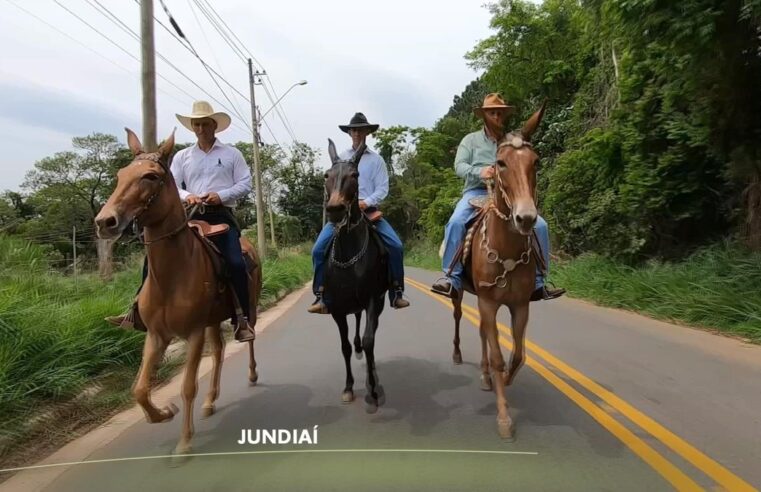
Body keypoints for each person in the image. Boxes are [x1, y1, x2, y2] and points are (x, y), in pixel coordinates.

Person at [106, 100, 256, 342]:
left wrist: (221, 195)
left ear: (214, 125)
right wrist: (189, 195)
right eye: (196, 124)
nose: (200, 128)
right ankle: (136, 310)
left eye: (204, 124)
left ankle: (242, 318)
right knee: (153, 256)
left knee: (236, 263)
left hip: (220, 216)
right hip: (189, 215)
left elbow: (245, 183)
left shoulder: (232, 154)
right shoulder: (183, 157)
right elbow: (173, 185)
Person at [430, 93, 566, 301]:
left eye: (500, 113)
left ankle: (539, 282)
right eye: (492, 112)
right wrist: (480, 171)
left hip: (507, 194)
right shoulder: (471, 140)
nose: (497, 116)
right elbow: (459, 166)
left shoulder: (511, 140)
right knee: (456, 221)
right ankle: (451, 278)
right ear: (484, 116)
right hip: (476, 192)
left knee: (541, 226)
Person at [308, 112, 410, 314]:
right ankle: (321, 295)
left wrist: (366, 202)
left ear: (367, 133)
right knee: (318, 249)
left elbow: (382, 188)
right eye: (354, 130)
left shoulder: (377, 160)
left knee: (396, 246)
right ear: (349, 133)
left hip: (369, 212)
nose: (357, 133)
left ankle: (396, 292)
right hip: (342, 212)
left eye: (361, 129)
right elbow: (332, 184)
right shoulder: (340, 159)